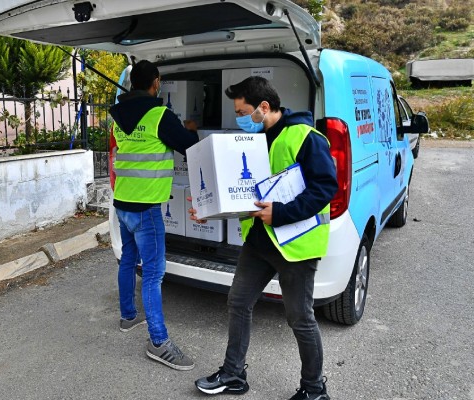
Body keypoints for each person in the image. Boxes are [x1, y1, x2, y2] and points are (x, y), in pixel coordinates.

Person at [191, 76, 338, 399]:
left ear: (264, 107)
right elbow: (242, 195)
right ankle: (233, 374)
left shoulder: (305, 137)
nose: (240, 119)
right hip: (259, 242)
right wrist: (208, 208)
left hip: (296, 247)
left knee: (300, 319)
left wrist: (282, 213)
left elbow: (326, 188)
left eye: (243, 112)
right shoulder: (252, 143)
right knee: (239, 303)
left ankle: (314, 391)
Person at [109, 60, 199, 371]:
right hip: (146, 209)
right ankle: (159, 342)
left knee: (129, 259)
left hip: (122, 203)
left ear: (132, 83)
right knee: (153, 274)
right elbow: (188, 145)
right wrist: (189, 129)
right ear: (156, 82)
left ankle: (128, 316)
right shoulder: (161, 115)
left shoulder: (116, 116)